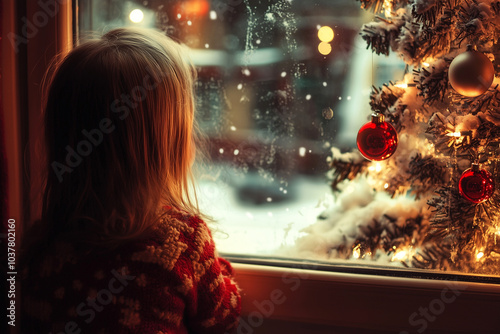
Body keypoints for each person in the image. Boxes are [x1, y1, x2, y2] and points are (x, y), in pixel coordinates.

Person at [20, 27, 241, 334]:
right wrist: (221, 272)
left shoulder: (38, 250)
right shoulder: (181, 242)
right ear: (167, 144)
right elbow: (224, 318)